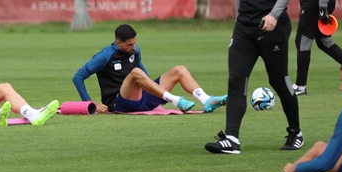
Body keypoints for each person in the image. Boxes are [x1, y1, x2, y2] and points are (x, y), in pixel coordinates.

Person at [205, 0, 303, 155]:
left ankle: (296, 132)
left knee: (278, 81)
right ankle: (232, 139)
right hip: (244, 30)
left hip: (273, 29)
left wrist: (274, 14)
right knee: (236, 80)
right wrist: (236, 26)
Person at [73, 24, 227, 114]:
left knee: (179, 70)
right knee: (135, 73)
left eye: (135, 43)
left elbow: (144, 74)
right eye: (129, 45)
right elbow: (78, 76)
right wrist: (90, 103)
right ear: (118, 43)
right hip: (119, 103)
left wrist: (154, 91)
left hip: (142, 98)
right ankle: (175, 100)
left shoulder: (135, 50)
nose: (134, 47)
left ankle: (206, 100)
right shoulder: (105, 56)